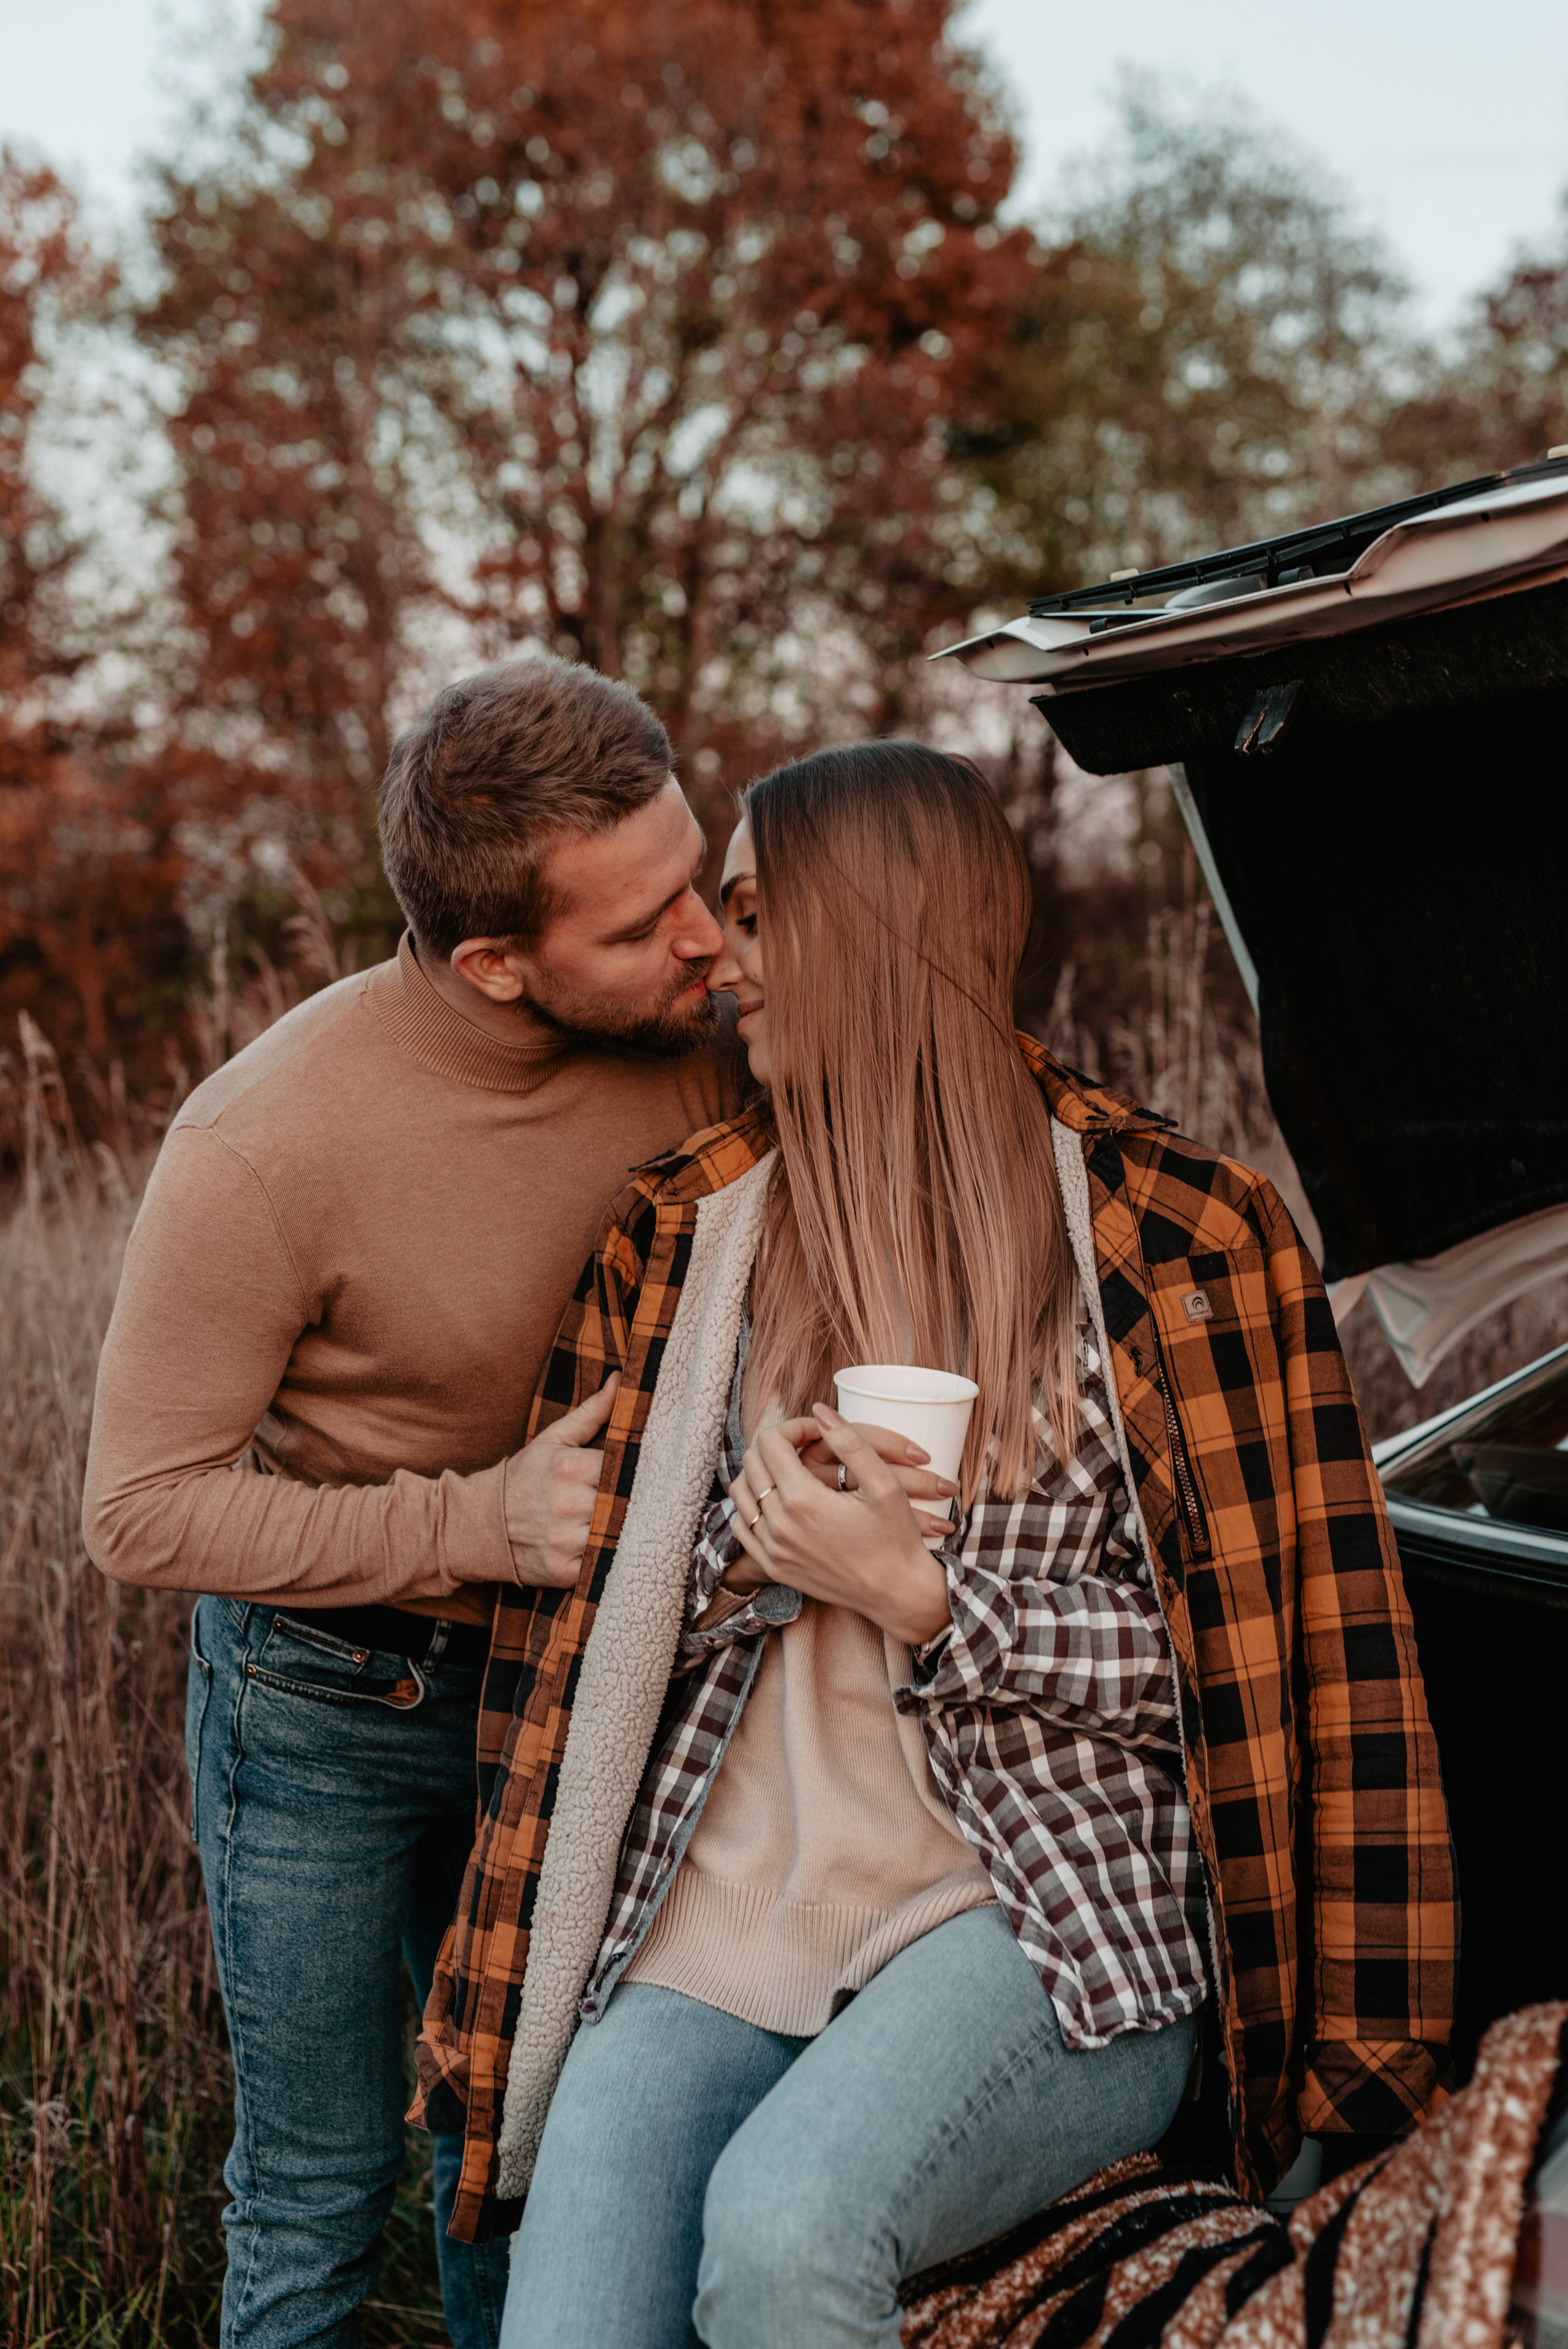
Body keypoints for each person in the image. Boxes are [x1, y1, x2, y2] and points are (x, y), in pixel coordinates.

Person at [415, 740, 1458, 2348]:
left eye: (757, 913)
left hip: (1042, 1912)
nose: (718, 956)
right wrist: (749, 1540)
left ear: (868, 927)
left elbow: (1277, 1670)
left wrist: (928, 1596)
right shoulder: (685, 1232)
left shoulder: (1181, 1240)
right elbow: (576, 1650)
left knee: (785, 2236)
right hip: (724, 1912)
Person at [81, 656, 742, 2349]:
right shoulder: (263, 1144)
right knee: (314, 2181)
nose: (709, 938)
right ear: (494, 963)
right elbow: (142, 1510)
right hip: (321, 1713)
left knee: (514, 2159)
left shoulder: (703, 1042)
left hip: (587, 1700)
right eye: (647, 918)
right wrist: (469, 1523)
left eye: (700, 874)